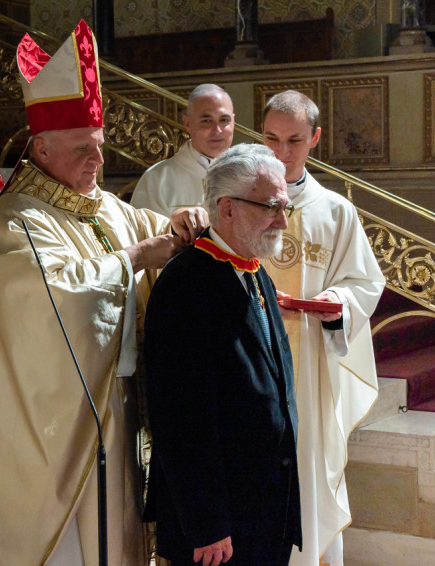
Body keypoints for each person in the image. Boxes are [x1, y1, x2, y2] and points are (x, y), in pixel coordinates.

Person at [0, 21, 206, 565]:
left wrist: (184, 221)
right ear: (40, 148)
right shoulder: (15, 222)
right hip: (52, 429)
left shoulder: (104, 206)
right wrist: (137, 258)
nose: (98, 162)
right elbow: (57, 298)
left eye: (100, 147)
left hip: (116, 408)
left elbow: (154, 231)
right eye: (82, 149)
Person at [144, 144, 301, 566]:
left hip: (264, 506)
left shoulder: (256, 271)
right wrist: (207, 521)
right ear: (227, 209)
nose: (283, 221)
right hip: (218, 527)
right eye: (271, 207)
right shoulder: (186, 283)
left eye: (285, 207)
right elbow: (180, 417)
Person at [261, 90, 385, 566]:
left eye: (294, 140)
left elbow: (365, 281)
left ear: (314, 138)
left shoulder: (336, 210)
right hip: (248, 356)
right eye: (271, 139)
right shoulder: (236, 202)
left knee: (306, 465)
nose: (281, 152)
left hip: (308, 362)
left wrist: (339, 302)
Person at [130, 83, 234, 215]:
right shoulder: (157, 179)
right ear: (187, 123)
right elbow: (143, 227)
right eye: (206, 121)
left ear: (233, 122)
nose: (217, 130)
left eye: (224, 120)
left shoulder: (250, 175)